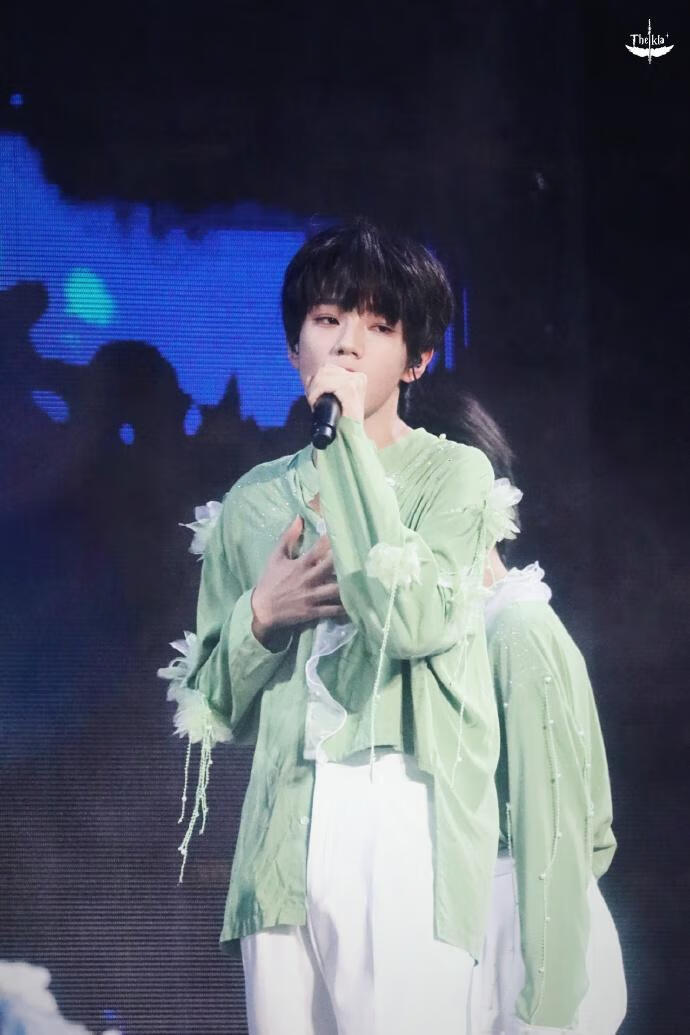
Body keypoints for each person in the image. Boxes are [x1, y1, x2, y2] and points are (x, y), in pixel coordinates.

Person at [158, 220, 512, 1035]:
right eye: (327, 319)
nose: (348, 342)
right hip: (281, 821)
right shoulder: (254, 500)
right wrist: (263, 615)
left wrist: (348, 442)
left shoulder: (453, 476)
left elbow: (412, 619)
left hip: (404, 809)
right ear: (295, 347)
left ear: (417, 360)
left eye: (379, 326)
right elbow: (209, 703)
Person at [408, 379, 627, 1034]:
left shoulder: (516, 632)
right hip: (483, 933)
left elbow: (555, 848)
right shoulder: (460, 630)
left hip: (525, 950)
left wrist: (547, 1010)